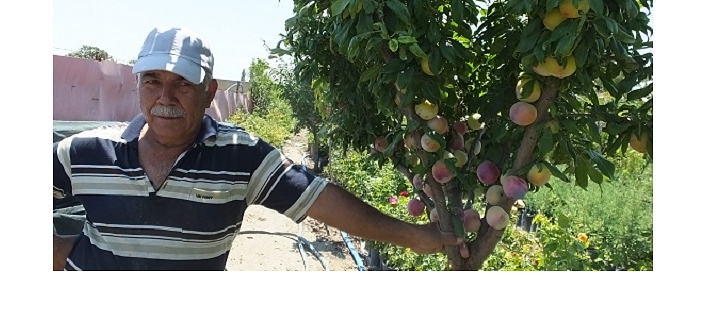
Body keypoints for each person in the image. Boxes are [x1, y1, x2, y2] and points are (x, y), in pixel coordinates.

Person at [53, 27, 458, 270]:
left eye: (183, 84)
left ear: (210, 92)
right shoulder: (86, 151)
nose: (166, 96)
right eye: (153, 81)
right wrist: (63, 255)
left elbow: (320, 199)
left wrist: (415, 237)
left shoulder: (240, 156)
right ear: (138, 84)